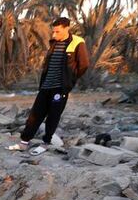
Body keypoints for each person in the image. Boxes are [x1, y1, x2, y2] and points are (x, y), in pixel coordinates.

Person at [7, 17, 89, 152]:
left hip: (60, 88)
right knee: (35, 114)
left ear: (67, 28)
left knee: (53, 116)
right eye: (53, 32)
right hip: (46, 86)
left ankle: (45, 143)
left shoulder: (77, 42)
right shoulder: (54, 43)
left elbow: (84, 65)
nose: (54, 35)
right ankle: (24, 142)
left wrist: (70, 81)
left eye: (57, 32)